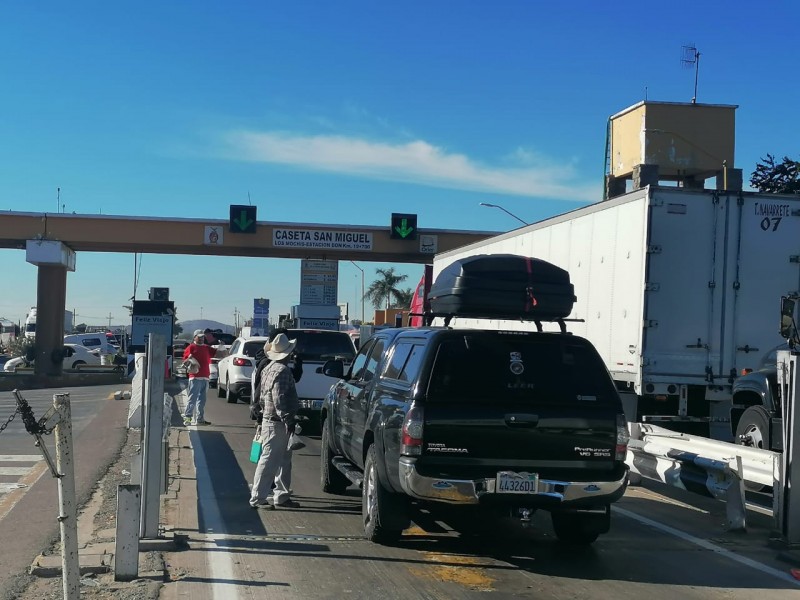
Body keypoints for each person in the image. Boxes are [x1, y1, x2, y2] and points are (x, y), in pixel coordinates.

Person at [249, 333, 301, 509]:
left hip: (269, 418)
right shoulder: (283, 371)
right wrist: (289, 420)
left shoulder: (268, 368)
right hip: (278, 422)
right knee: (271, 460)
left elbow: (265, 396)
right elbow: (280, 398)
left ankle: (279, 496)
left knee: (277, 459)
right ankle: (259, 498)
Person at [182, 329, 219, 426]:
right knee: (192, 399)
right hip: (195, 377)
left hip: (205, 377)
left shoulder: (206, 347)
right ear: (194, 337)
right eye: (199, 337)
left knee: (202, 400)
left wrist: (222, 347)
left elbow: (218, 353)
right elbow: (185, 362)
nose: (202, 338)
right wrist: (189, 360)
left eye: (203, 337)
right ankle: (188, 418)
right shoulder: (191, 347)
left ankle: (200, 419)